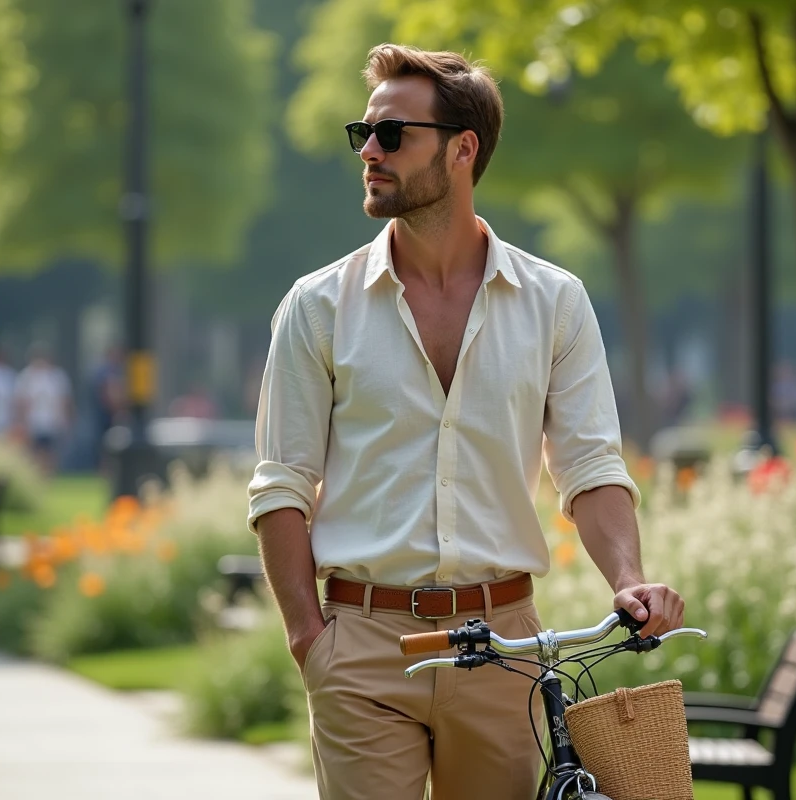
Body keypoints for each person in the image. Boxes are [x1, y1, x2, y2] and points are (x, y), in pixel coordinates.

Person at [247, 44, 684, 800]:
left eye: (392, 135)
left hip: (505, 647)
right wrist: (310, 641)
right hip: (363, 649)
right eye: (364, 133)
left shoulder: (554, 302)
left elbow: (589, 467)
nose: (370, 152)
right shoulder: (317, 306)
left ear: (462, 148)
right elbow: (282, 483)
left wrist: (629, 579)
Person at [14, 345, 72, 475]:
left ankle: (49, 475)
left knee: (50, 452)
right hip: (33, 423)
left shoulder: (57, 376)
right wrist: (21, 421)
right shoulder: (26, 377)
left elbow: (64, 401)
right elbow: (21, 402)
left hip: (52, 422)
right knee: (34, 453)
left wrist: (66, 420)